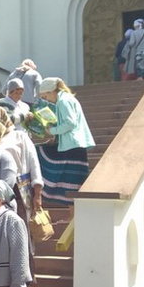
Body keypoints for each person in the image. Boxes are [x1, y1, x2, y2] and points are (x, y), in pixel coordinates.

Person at [38, 77, 95, 209]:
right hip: (74, 144)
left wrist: (52, 131)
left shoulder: (63, 101)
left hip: (72, 145)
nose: (45, 99)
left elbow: (70, 123)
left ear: (52, 91)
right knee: (73, 184)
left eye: (45, 96)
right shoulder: (66, 99)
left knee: (39, 152)